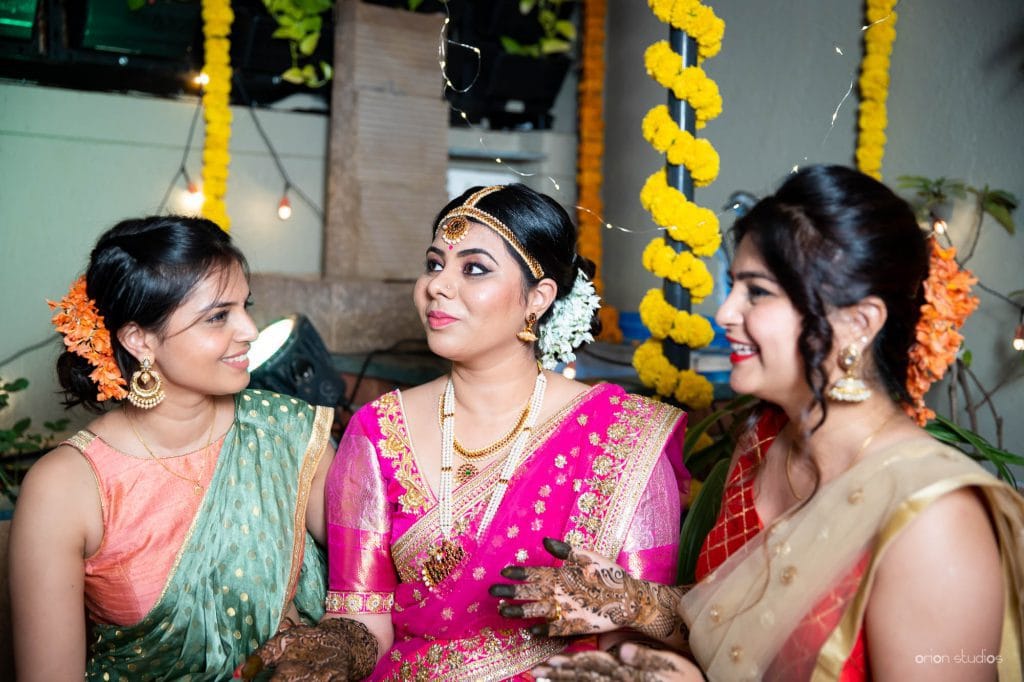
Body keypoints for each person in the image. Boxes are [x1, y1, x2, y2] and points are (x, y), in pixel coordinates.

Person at [492, 165, 1024, 681]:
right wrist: (635, 603)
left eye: (758, 292)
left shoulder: (934, 520)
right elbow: (737, 631)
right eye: (734, 287)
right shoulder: (763, 441)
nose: (725, 313)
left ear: (858, 324)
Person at [245, 183, 690, 680]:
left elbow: (642, 627)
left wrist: (625, 617)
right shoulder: (376, 430)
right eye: (434, 264)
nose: (438, 284)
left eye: (473, 269)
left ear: (538, 299)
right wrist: (335, 648)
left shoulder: (623, 434)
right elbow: (361, 611)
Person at [8, 216, 336, 680]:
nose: (249, 329)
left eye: (246, 306)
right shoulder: (67, 487)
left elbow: (369, 588)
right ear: (140, 339)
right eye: (218, 316)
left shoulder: (287, 433)